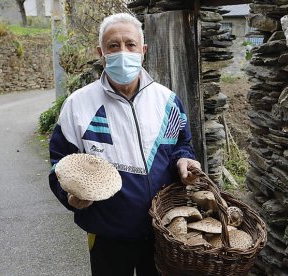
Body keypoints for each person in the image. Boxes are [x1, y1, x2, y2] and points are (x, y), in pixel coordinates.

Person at [49, 12, 201, 276]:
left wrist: (184, 159)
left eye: (130, 45)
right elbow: (59, 164)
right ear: (101, 52)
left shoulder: (167, 101)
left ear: (142, 50)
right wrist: (69, 197)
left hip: (163, 230)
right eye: (113, 46)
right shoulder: (78, 105)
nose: (123, 52)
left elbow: (181, 145)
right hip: (107, 234)